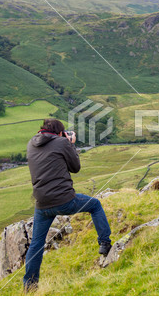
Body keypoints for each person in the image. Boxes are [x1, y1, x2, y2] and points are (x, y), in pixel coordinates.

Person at [23, 119, 112, 292]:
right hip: (64, 199)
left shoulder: (31, 144)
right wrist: (70, 144)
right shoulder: (62, 142)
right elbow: (75, 167)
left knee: (36, 244)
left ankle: (30, 286)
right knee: (95, 205)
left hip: (42, 203)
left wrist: (63, 141)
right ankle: (105, 243)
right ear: (60, 132)